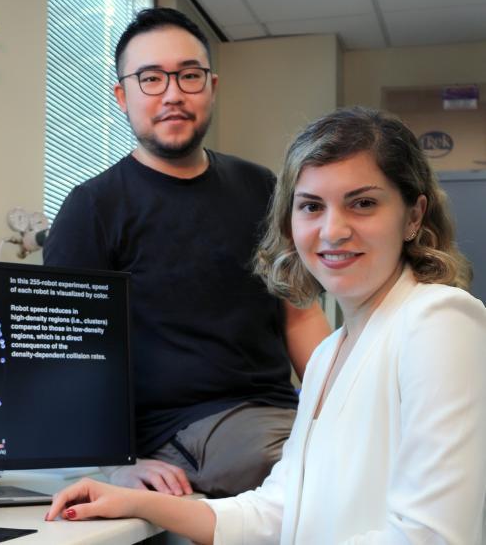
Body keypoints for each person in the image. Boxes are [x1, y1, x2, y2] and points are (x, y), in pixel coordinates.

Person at [44, 106, 486, 544]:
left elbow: (430, 537)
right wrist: (135, 503)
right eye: (311, 206)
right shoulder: (329, 356)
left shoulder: (439, 321)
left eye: (363, 203)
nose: (332, 230)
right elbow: (274, 510)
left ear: (413, 216)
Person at [43, 7, 330, 498]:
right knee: (310, 467)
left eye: (188, 76)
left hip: (279, 412)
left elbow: (300, 316)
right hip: (179, 431)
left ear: (211, 86)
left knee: (382, 442)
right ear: (122, 96)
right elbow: (61, 358)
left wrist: (346, 401)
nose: (173, 93)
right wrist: (112, 466)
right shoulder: (92, 207)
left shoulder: (260, 186)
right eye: (150, 78)